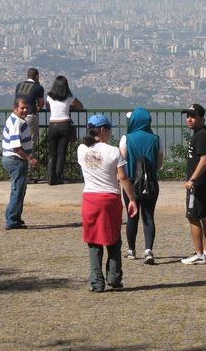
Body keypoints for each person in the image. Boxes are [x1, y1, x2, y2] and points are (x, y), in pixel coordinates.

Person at [78, 114, 138, 292]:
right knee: (113, 239)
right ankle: (114, 276)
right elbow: (122, 177)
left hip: (90, 198)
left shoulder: (81, 149)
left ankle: (96, 282)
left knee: (93, 241)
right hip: (110, 198)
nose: (111, 132)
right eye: (109, 129)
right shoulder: (113, 151)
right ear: (103, 130)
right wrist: (132, 199)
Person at [119, 107, 164, 264]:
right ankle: (148, 250)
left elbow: (121, 161)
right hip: (150, 182)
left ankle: (131, 250)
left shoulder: (126, 138)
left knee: (132, 215)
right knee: (149, 216)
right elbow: (159, 163)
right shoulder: (156, 139)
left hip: (131, 182)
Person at [181, 103, 206, 265]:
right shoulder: (202, 134)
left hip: (198, 184)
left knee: (193, 216)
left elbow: (204, 160)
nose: (189, 119)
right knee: (204, 215)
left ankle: (199, 253)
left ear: (202, 118)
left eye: (193, 116)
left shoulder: (201, 135)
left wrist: (192, 179)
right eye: (188, 116)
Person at [2, 98, 38, 230]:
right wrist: (30, 158)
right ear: (15, 108)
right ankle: (12, 219)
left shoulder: (14, 120)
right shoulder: (16, 123)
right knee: (18, 190)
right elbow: (16, 147)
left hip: (13, 159)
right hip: (16, 159)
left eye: (26, 108)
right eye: (22, 108)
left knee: (19, 189)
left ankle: (14, 216)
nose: (25, 110)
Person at [45, 75, 83, 185]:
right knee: (61, 153)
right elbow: (80, 106)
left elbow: (48, 106)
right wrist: (70, 107)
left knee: (52, 153)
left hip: (53, 125)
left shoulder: (49, 97)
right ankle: (58, 177)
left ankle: (50, 177)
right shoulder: (69, 97)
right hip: (65, 125)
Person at [14, 68, 45, 167]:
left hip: (16, 117)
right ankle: (28, 172)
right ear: (37, 76)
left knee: (17, 144)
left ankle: (18, 168)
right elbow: (41, 104)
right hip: (29, 116)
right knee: (29, 144)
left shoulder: (19, 85)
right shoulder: (38, 87)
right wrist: (38, 107)